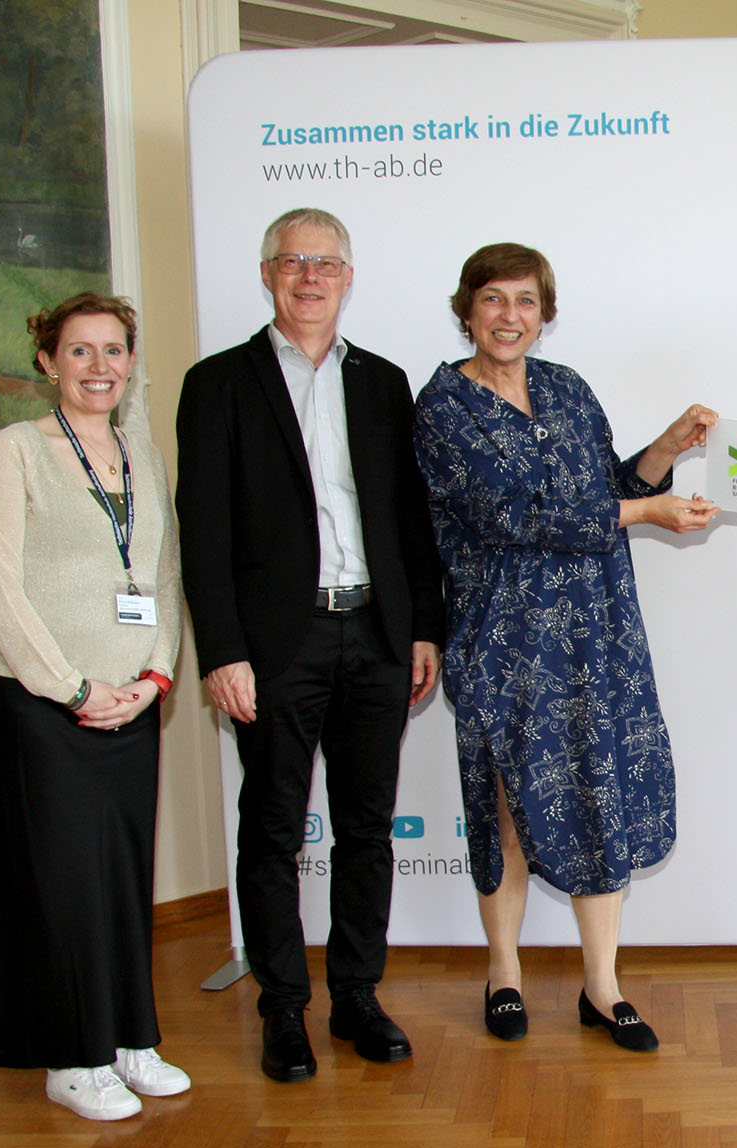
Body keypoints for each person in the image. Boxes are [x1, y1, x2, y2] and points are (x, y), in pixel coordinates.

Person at [413, 242, 717, 1053]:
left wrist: (666, 447)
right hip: (503, 641)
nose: (509, 316)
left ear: (545, 314)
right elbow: (511, 515)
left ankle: (602, 986)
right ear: (467, 309)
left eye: (525, 301)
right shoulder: (443, 406)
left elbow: (608, 488)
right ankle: (503, 972)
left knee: (599, 797)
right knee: (509, 808)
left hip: (597, 632)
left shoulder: (567, 388)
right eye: (493, 298)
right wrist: (645, 515)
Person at [176, 208, 446, 1082]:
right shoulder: (218, 384)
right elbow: (203, 532)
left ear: (348, 278)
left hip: (375, 634)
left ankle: (357, 996)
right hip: (273, 648)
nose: (309, 276)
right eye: (292, 261)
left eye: (325, 263)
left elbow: (410, 520)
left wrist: (424, 626)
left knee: (366, 828)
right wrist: (222, 651)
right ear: (267, 275)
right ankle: (283, 1008)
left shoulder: (383, 382)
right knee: (272, 830)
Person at [0, 293, 188, 1120]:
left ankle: (129, 1039)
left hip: (131, 703)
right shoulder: (15, 451)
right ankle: (73, 1057)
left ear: (130, 362)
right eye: (80, 351)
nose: (100, 367)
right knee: (61, 884)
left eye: (114, 350)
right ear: (47, 362)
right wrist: (71, 686)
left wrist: (155, 677)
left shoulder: (143, 454)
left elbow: (162, 576)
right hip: (42, 705)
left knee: (123, 878)